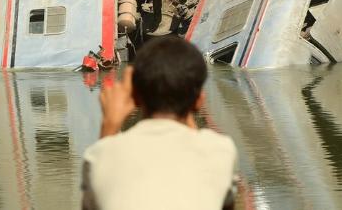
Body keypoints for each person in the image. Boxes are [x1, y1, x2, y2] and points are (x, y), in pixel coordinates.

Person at [81, 37, 237, 210]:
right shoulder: (221, 150)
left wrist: (109, 124)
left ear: (136, 97)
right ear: (199, 101)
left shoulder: (98, 156)